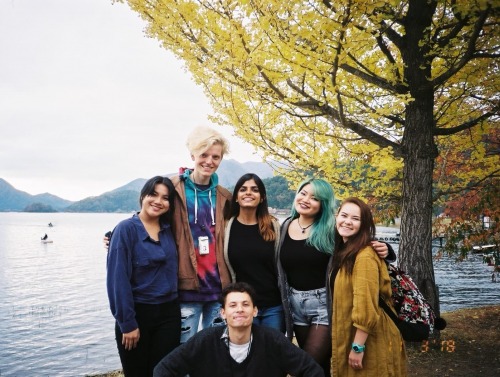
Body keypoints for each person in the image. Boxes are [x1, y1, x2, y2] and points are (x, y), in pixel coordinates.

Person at [277, 178, 394, 376]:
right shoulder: (285, 226)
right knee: (318, 367)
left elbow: (359, 244)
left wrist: (387, 249)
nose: (306, 200)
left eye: (315, 198)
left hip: (324, 305)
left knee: (306, 364)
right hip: (295, 305)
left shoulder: (331, 229)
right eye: (303, 193)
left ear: (323, 204)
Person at [153, 282, 325, 377]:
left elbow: (312, 370)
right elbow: (163, 370)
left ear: (255, 311)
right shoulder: (205, 340)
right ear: (223, 313)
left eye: (245, 304)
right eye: (233, 305)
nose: (239, 309)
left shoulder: (272, 340)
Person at [106, 176, 181, 377]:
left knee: (163, 373)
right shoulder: (125, 230)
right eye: (153, 194)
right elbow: (117, 280)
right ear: (142, 196)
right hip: (138, 314)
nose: (158, 201)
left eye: (165, 198)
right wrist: (127, 323)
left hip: (169, 314)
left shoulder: (169, 229)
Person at [330, 197, 407, 376]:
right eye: (344, 215)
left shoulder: (364, 256)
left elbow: (366, 305)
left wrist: (357, 347)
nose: (347, 221)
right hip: (356, 334)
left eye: (355, 219)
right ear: (336, 217)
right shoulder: (344, 250)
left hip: (372, 339)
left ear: (364, 225)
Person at [169, 126, 232, 343]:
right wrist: (117, 235)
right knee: (184, 350)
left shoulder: (225, 196)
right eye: (203, 155)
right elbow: (149, 215)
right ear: (192, 155)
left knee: (216, 350)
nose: (209, 161)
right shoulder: (173, 189)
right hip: (187, 288)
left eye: (215, 156)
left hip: (218, 288)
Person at [223, 173, 284, 332]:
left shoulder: (273, 227)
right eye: (243, 189)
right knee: (245, 353)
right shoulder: (227, 228)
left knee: (272, 353)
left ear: (262, 197)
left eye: (254, 190)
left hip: (273, 307)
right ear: (236, 196)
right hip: (242, 307)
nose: (248, 193)